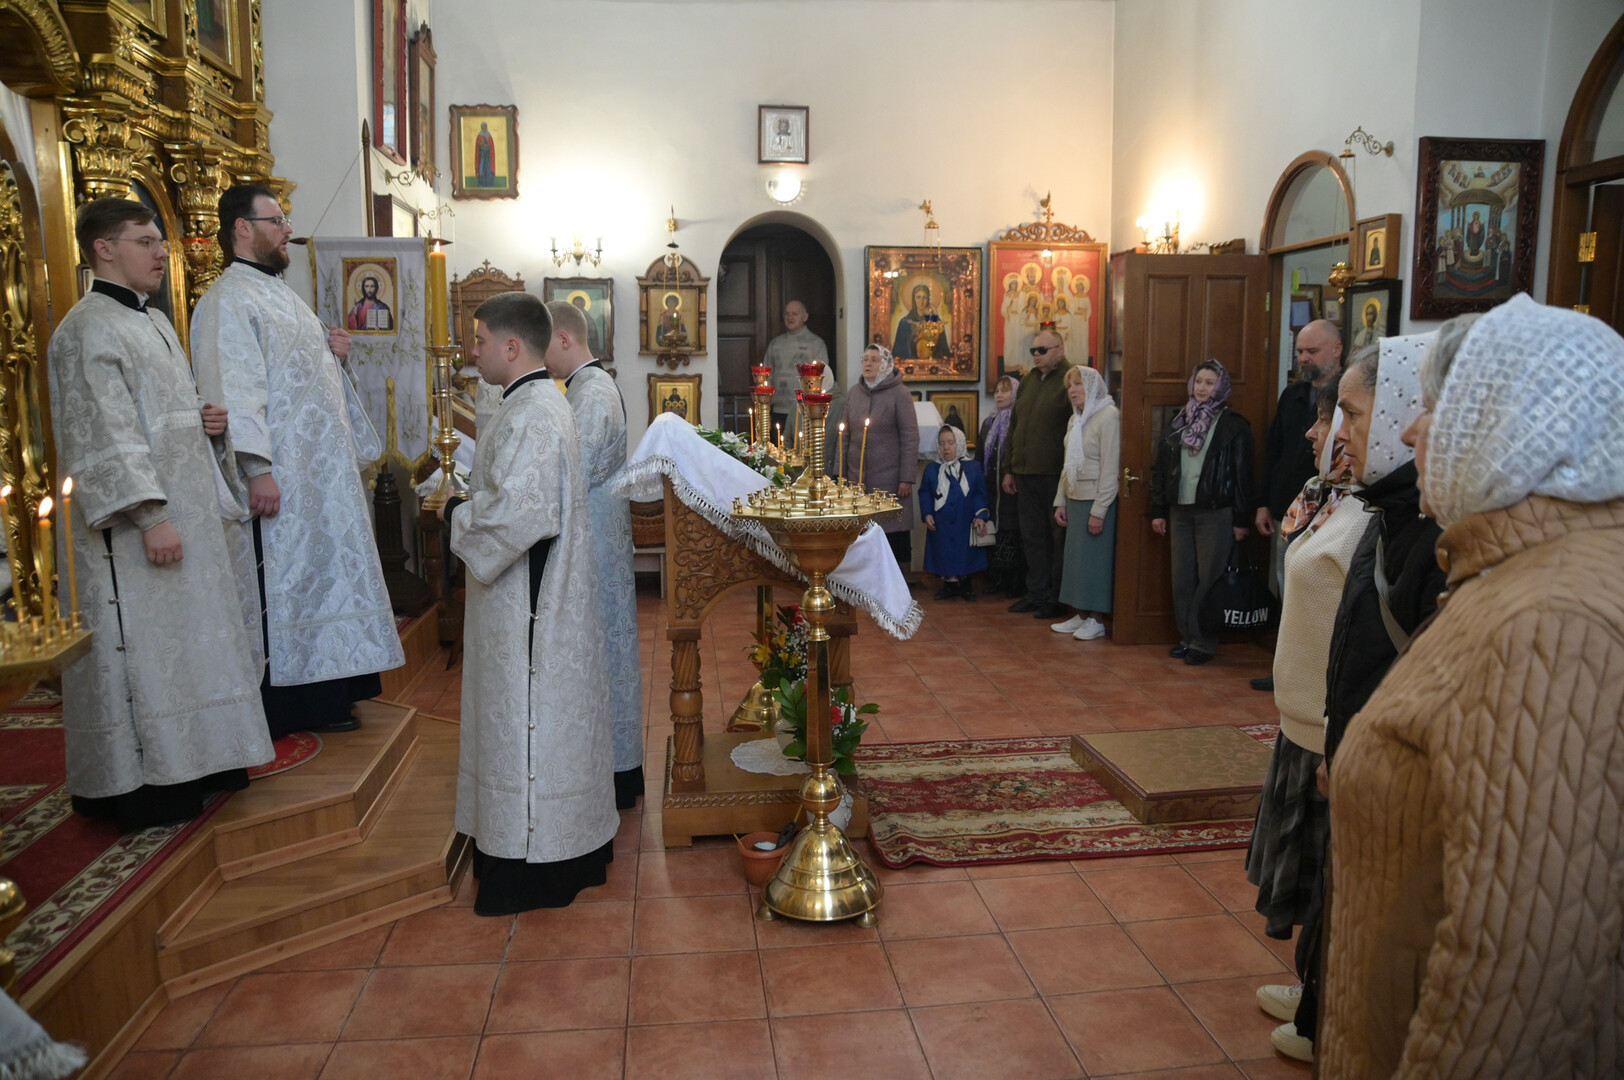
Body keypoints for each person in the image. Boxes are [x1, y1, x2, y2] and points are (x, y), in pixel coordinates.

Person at [1319, 295, 1624, 1077]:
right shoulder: (1516, 572)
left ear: (1511, 423)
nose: (1411, 432)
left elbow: (1519, 969)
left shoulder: (1550, 621)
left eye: (1437, 409)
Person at [48, 197, 273, 831]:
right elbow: (103, 434)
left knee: (190, 647)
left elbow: (156, 411)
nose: (159, 252)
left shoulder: (153, 321)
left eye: (159, 241)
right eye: (144, 241)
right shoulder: (86, 329)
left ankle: (205, 761)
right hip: (134, 534)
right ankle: (145, 784)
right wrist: (150, 517)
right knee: (145, 654)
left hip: (188, 515)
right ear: (103, 248)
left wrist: (204, 419)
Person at [1280, 335, 1446, 1064]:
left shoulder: (1433, 531)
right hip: (1353, 747)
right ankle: (1321, 1006)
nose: (1337, 432)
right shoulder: (1389, 509)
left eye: (1351, 413)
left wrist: (1356, 751)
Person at [191, 183, 404, 739]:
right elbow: (235, 387)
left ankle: (332, 694)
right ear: (242, 228)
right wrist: (256, 469)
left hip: (319, 479)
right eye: (277, 220)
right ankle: (292, 707)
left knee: (325, 576)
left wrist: (335, 357)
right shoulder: (228, 300)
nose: (288, 230)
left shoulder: (281, 293)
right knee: (287, 585)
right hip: (281, 477)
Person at [441, 292, 617, 915]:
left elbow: (522, 515)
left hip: (531, 606)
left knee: (529, 720)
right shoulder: (532, 402)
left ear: (511, 346)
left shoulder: (535, 412)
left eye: (480, 340)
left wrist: (457, 515)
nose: (473, 351)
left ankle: (531, 862)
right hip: (523, 596)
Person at [1244, 377, 1367, 1047]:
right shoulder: (1333, 497)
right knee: (1311, 879)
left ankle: (1325, 1000)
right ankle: (1312, 981)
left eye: (1333, 419)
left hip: (1329, 722)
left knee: (1329, 872)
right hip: (1301, 718)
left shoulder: (1369, 515)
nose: (1315, 432)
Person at [544, 298, 643, 810]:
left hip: (596, 540)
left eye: (543, 345)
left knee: (605, 652)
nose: (540, 357)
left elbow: (569, 473)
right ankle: (610, 766)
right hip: (598, 534)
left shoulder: (593, 392)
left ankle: (615, 772)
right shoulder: (584, 387)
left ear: (564, 339)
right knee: (604, 652)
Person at [1253, 319, 1344, 690]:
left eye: (1312, 351)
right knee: (1285, 588)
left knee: (1316, 593)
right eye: (1300, 351)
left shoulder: (1348, 396)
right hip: (1287, 508)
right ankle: (1285, 670)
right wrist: (1264, 503)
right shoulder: (1292, 395)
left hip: (1329, 509)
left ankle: (1313, 674)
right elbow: (1274, 450)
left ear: (1337, 350)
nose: (1304, 358)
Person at [1148, 359, 1253, 666]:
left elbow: (1244, 475)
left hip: (1215, 512)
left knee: (1209, 578)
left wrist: (1241, 519)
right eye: (1199, 381)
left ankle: (1203, 643)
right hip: (1180, 510)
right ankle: (1187, 637)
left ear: (1221, 387)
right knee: (1182, 578)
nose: (1202, 388)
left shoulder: (1234, 426)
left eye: (1210, 382)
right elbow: (1160, 468)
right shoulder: (1179, 420)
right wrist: (1158, 510)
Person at [1003, 328, 1075, 619]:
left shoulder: (1070, 380)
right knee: (1032, 537)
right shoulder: (1029, 381)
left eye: (1042, 350)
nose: (1036, 355)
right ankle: (1035, 593)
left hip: (1054, 474)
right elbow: (1015, 426)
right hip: (1025, 472)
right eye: (1033, 350)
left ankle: (1056, 597)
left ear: (1060, 350)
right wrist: (1009, 469)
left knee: (1056, 538)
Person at [1049, 365, 1120, 641]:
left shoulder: (1108, 416)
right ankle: (1080, 613)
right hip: (1075, 498)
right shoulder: (1075, 419)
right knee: (1077, 563)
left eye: (1078, 384)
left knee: (1095, 562)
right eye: (1070, 386)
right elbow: (1068, 464)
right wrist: (1061, 501)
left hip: (1095, 501)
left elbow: (1110, 467)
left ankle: (1097, 619)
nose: (1073, 390)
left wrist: (1099, 511)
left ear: (1092, 386)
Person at [841, 345, 918, 576]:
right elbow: (844, 436)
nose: (868, 363)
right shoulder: (854, 393)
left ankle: (898, 581)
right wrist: (840, 474)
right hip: (857, 478)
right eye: (865, 359)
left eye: (874, 360)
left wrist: (906, 477)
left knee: (894, 531)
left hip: (890, 479)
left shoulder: (900, 394)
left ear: (885, 364)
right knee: (862, 532)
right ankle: (865, 579)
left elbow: (910, 437)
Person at [921, 425, 989, 600]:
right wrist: (927, 513)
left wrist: (980, 515)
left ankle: (966, 586)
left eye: (950, 443)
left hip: (965, 521)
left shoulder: (973, 467)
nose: (946, 447)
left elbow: (979, 493)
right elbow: (925, 493)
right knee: (944, 552)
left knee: (964, 553)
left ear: (959, 443)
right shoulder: (932, 469)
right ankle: (948, 586)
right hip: (941, 522)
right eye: (942, 443)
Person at [976, 376, 1025, 599]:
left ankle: (1015, 580)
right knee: (995, 530)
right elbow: (980, 455)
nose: (999, 395)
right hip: (991, 487)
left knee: (1011, 531)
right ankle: (998, 578)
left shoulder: (1018, 421)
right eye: (997, 391)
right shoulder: (988, 422)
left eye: (1005, 391)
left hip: (1011, 490)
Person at [763, 299, 830, 434]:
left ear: (805, 317)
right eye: (787, 314)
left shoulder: (816, 344)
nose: (790, 317)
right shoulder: (775, 344)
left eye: (794, 314)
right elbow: (766, 377)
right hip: (778, 410)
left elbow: (823, 378)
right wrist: (766, 411)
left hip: (804, 412)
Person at [892, 283, 949, 361]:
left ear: (928, 299)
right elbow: (898, 351)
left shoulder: (936, 321)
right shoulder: (905, 322)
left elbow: (943, 350)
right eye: (918, 297)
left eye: (924, 297)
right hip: (909, 364)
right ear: (914, 299)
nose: (921, 301)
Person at [474, 121, 496, 187]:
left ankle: (489, 182)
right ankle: (481, 182)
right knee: (481, 167)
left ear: (486, 127)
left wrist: (487, 145)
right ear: (481, 128)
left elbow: (491, 146)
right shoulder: (479, 135)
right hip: (482, 155)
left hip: (488, 155)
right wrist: (481, 144)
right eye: (483, 127)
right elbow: (478, 146)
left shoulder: (489, 135)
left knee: (488, 167)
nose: (484, 128)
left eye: (485, 127)